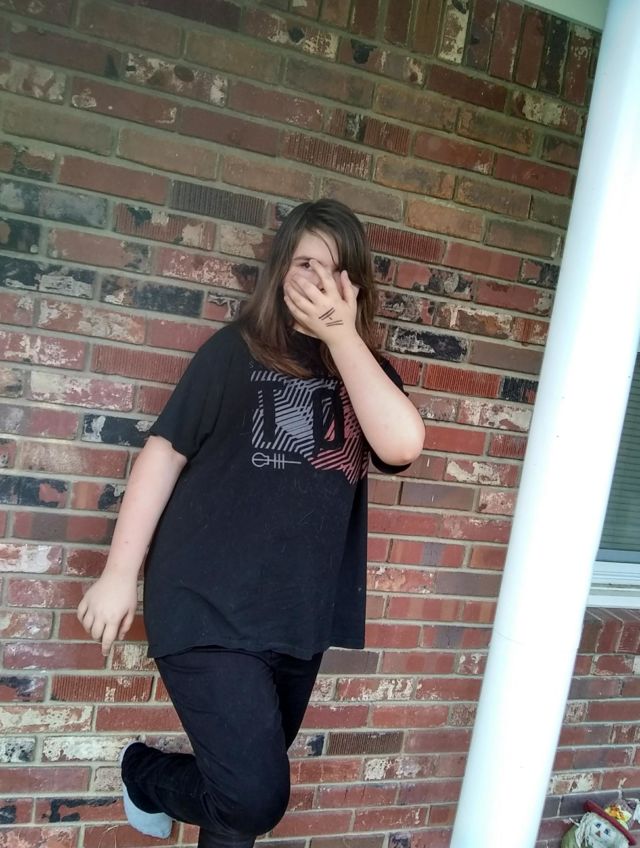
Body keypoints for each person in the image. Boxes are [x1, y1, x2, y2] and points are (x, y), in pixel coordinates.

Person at [77, 199, 425, 847]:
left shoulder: (366, 374)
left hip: (297, 619)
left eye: (337, 270)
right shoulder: (234, 352)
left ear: (356, 285)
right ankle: (145, 774)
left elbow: (402, 444)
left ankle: (152, 782)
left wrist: (342, 337)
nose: (320, 282)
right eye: (306, 264)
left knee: (235, 801)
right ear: (280, 270)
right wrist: (119, 574)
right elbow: (164, 452)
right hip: (206, 602)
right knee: (253, 795)